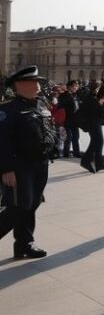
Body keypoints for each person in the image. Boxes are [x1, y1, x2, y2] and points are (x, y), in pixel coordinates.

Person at [0, 66, 56, 259]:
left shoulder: (40, 106)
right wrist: (6, 169)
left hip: (40, 164)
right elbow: (2, 142)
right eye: (34, 82)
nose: (39, 85)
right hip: (19, 166)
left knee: (32, 204)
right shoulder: (8, 110)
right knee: (17, 207)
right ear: (20, 84)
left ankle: (24, 244)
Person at [59, 79, 81, 158]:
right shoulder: (64, 95)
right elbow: (61, 105)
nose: (76, 87)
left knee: (76, 137)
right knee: (68, 137)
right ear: (69, 87)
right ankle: (66, 153)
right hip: (67, 119)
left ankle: (76, 153)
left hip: (75, 120)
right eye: (75, 86)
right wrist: (69, 96)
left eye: (77, 86)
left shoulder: (75, 95)